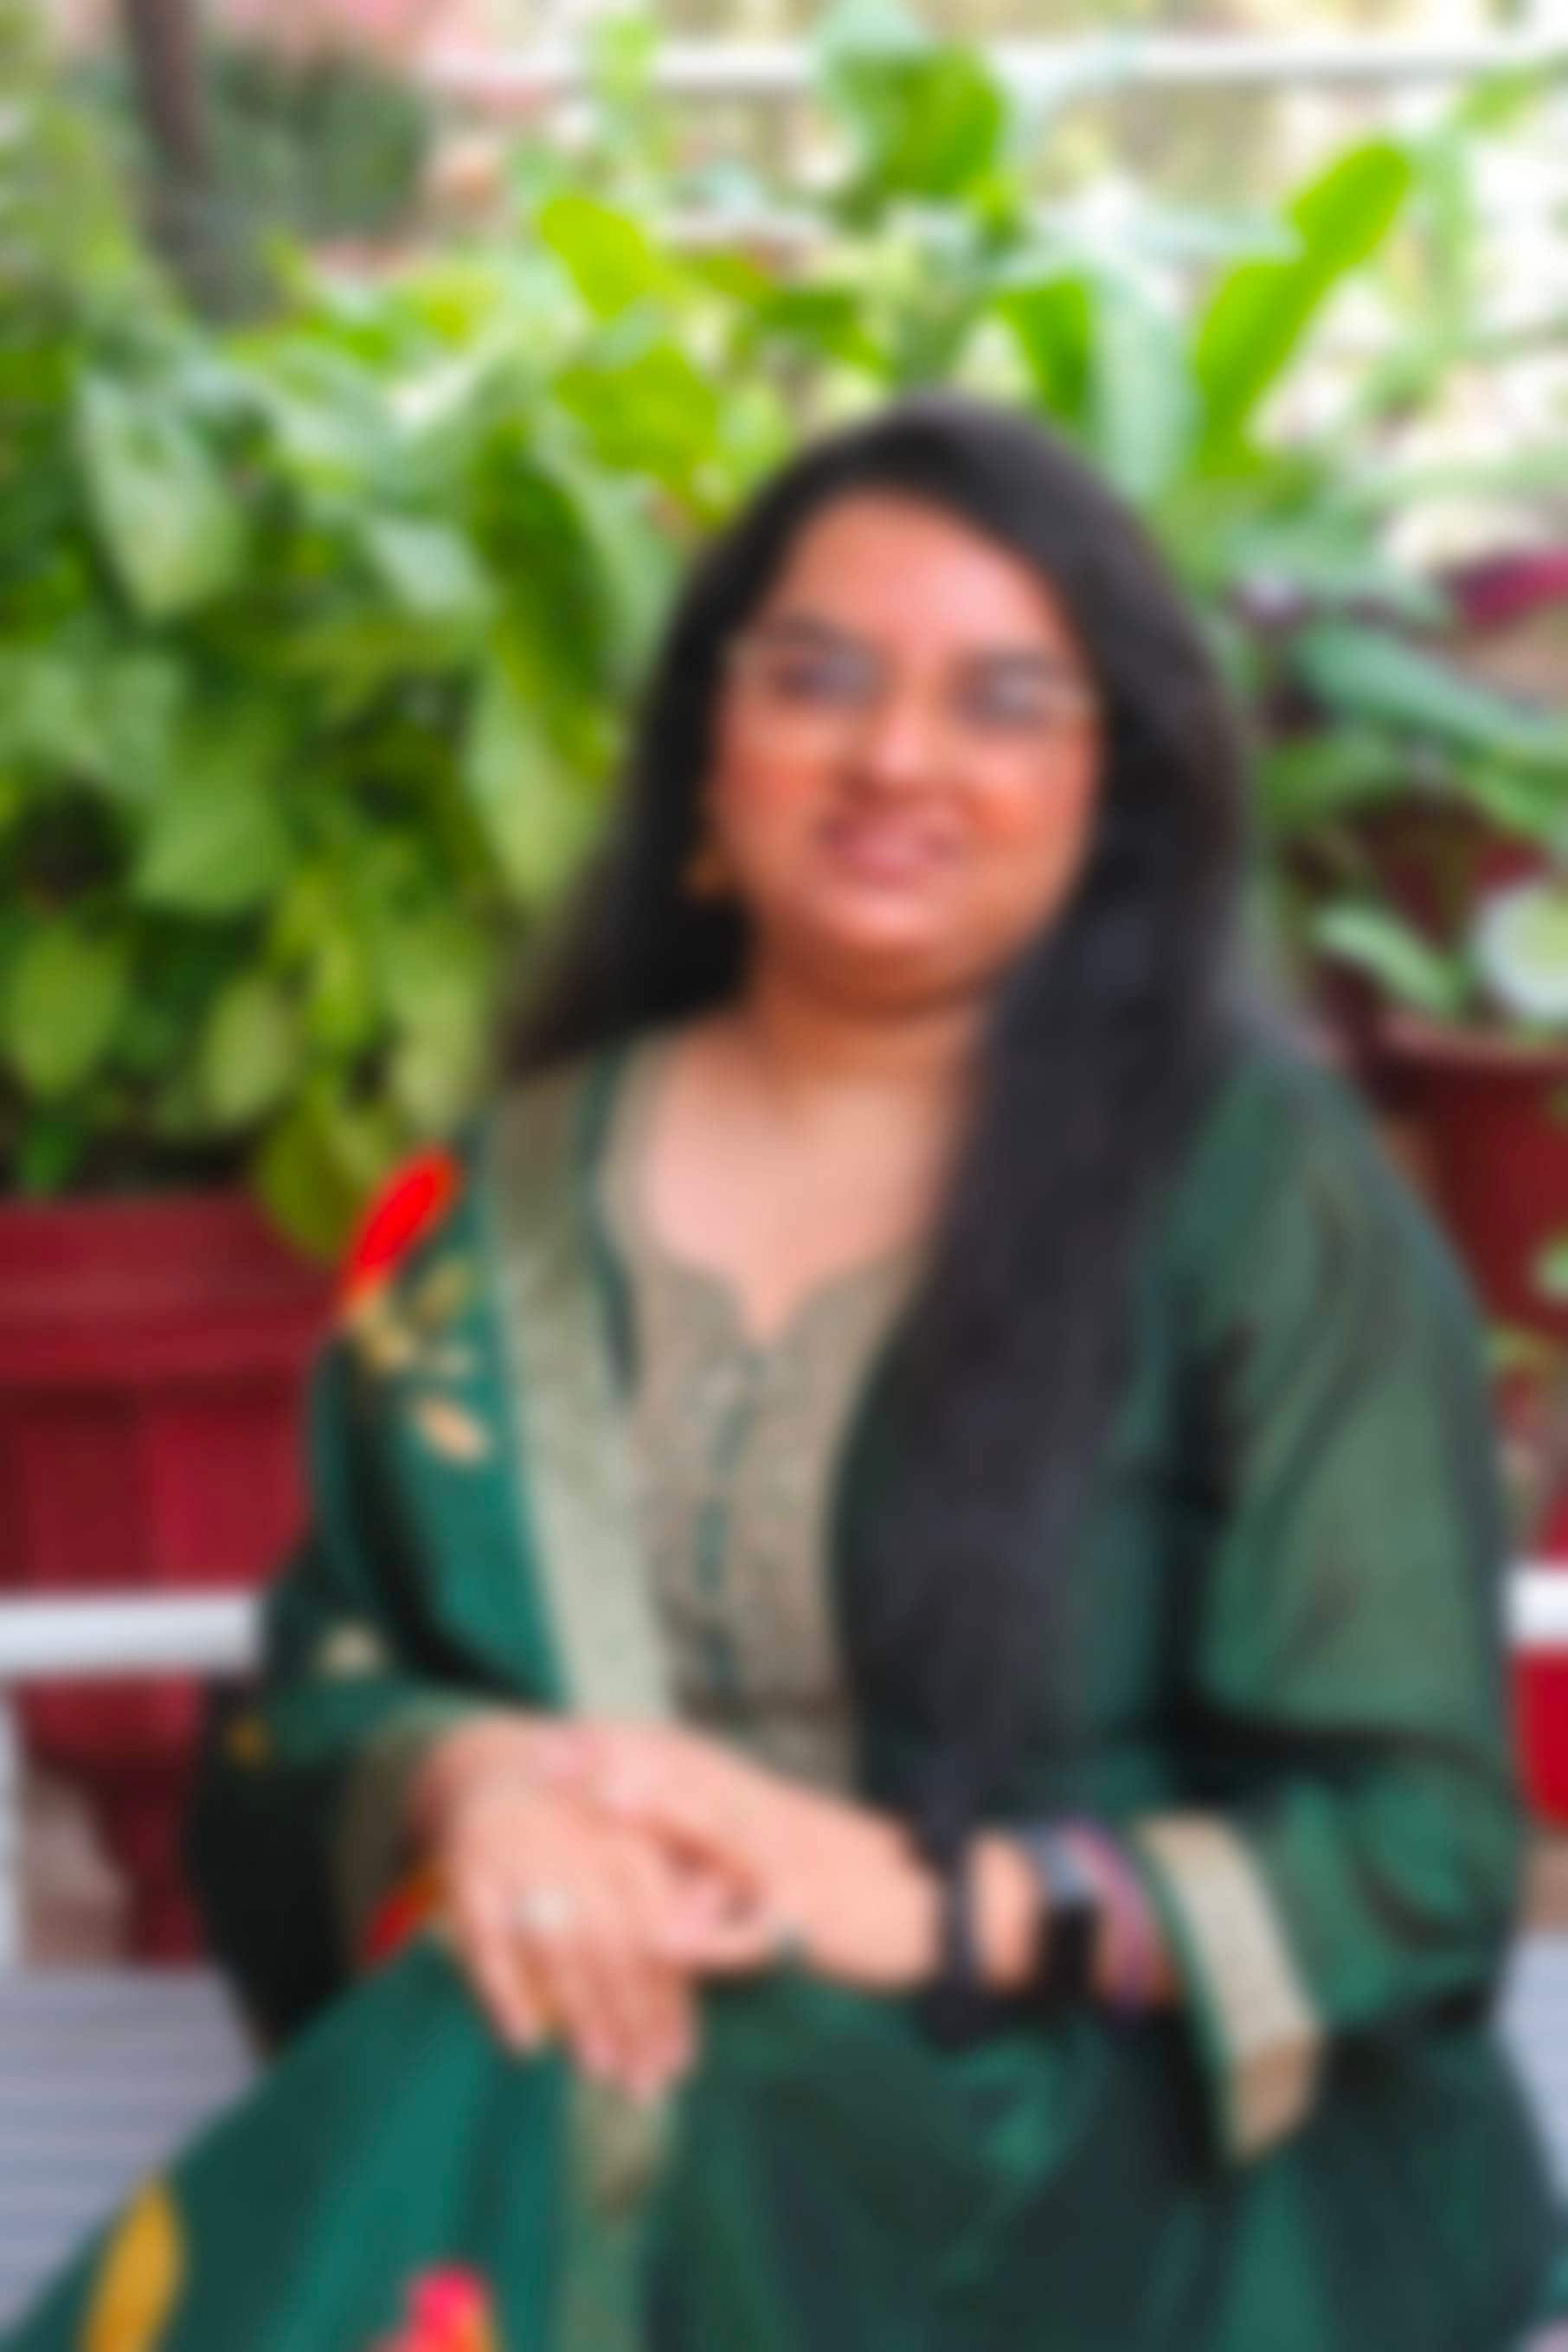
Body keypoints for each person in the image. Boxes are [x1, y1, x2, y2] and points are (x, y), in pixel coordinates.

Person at [9, 389, 1564, 2351]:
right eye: (820, 678)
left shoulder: (1261, 1202)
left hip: (1140, 2140)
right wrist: (470, 1784)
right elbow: (315, 1696)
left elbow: (1421, 1855)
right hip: (591, 2046)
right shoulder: (496, 1208)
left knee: (575, 2058)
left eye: (1004, 701)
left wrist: (919, 1904)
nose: (896, 754)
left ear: (1113, 794)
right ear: (707, 750)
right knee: (563, 2017)